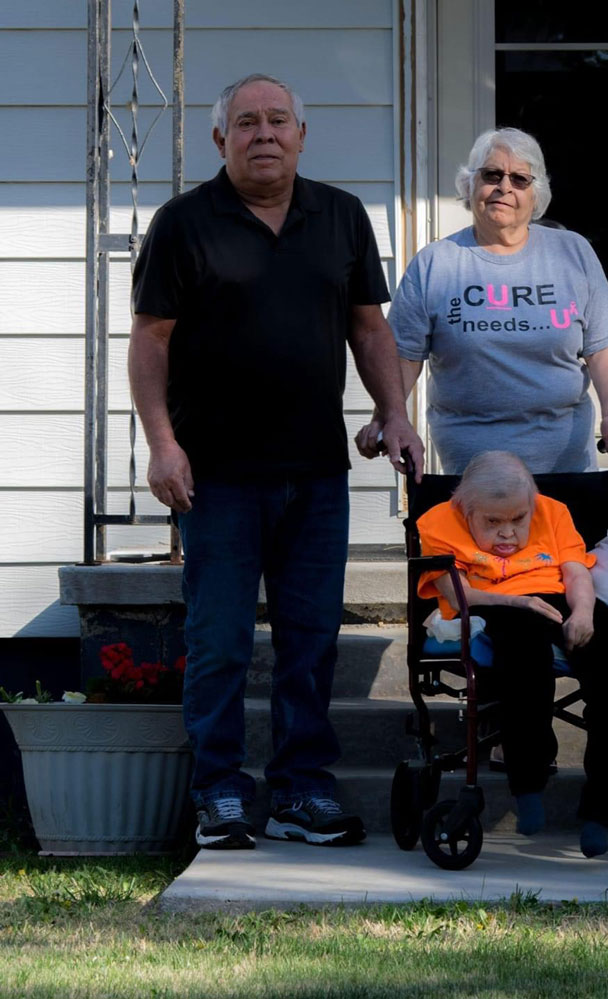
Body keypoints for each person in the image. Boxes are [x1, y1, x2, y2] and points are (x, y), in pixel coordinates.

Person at [128, 73, 424, 850]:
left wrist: (394, 412)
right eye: (247, 123)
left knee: (309, 639)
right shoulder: (183, 224)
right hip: (216, 476)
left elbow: (369, 327)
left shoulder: (342, 216)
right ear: (220, 139)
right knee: (222, 641)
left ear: (302, 133)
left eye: (278, 121)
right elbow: (150, 341)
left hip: (317, 472)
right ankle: (220, 793)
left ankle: (300, 793)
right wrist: (162, 442)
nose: (264, 134)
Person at [355, 127, 608, 474]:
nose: (504, 187)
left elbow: (601, 347)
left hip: (564, 462)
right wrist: (384, 418)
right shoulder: (435, 263)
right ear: (470, 185)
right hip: (473, 467)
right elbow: (403, 357)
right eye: (492, 175)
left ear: (536, 195)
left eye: (520, 179)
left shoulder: (573, 252)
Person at [417, 451, 608, 857]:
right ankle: (529, 782)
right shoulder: (439, 522)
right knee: (525, 660)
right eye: (493, 522)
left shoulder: (551, 512)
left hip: (556, 594)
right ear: (466, 510)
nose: (508, 535)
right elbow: (455, 591)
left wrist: (584, 612)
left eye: (518, 520)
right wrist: (519, 604)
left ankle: (599, 807)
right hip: (492, 602)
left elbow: (575, 572)